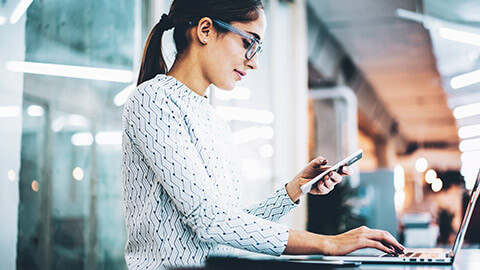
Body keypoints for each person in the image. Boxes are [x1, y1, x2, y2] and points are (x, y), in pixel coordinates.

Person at [121, 0, 405, 269]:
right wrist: (328, 243)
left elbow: (228, 228)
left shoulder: (210, 117)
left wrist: (292, 190)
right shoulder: (153, 100)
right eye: (249, 42)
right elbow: (209, 221)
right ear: (205, 30)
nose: (254, 62)